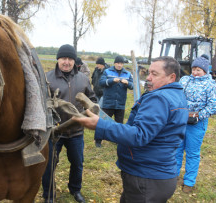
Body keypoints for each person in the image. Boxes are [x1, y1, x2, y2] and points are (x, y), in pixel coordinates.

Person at [72, 56, 189, 202]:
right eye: (149, 73)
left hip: (146, 178)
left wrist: (100, 125)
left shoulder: (159, 98)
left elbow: (139, 135)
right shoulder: (176, 95)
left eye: (155, 74)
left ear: (171, 77)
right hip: (158, 175)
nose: (148, 78)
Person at [42, 44, 96, 203]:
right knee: (49, 165)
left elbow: (92, 99)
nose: (67, 62)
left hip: (76, 132)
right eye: (63, 58)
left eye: (70, 59)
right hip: (54, 132)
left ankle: (75, 189)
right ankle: (49, 195)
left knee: (78, 163)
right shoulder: (47, 78)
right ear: (58, 59)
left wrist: (91, 107)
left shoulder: (83, 79)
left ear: (74, 61)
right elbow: (40, 102)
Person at [176, 54, 216, 193]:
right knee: (176, 149)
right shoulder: (184, 80)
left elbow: (215, 105)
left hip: (196, 123)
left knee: (192, 153)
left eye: (198, 70)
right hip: (181, 121)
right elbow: (176, 95)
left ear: (205, 71)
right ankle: (173, 176)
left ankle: (189, 182)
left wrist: (199, 115)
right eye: (193, 69)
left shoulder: (210, 84)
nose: (195, 72)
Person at [99, 55, 133, 124]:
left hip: (120, 105)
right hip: (108, 104)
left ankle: (115, 135)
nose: (119, 65)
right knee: (104, 124)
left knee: (119, 125)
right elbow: (101, 83)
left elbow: (132, 86)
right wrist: (112, 80)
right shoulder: (107, 71)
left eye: (121, 63)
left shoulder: (128, 74)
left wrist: (127, 83)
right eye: (118, 63)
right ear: (114, 63)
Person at [91, 57, 109, 147]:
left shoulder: (107, 71)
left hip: (103, 93)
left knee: (100, 110)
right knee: (97, 109)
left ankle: (99, 125)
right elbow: (93, 78)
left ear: (102, 64)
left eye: (98, 64)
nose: (97, 66)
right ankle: (96, 123)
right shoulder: (96, 70)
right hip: (96, 92)